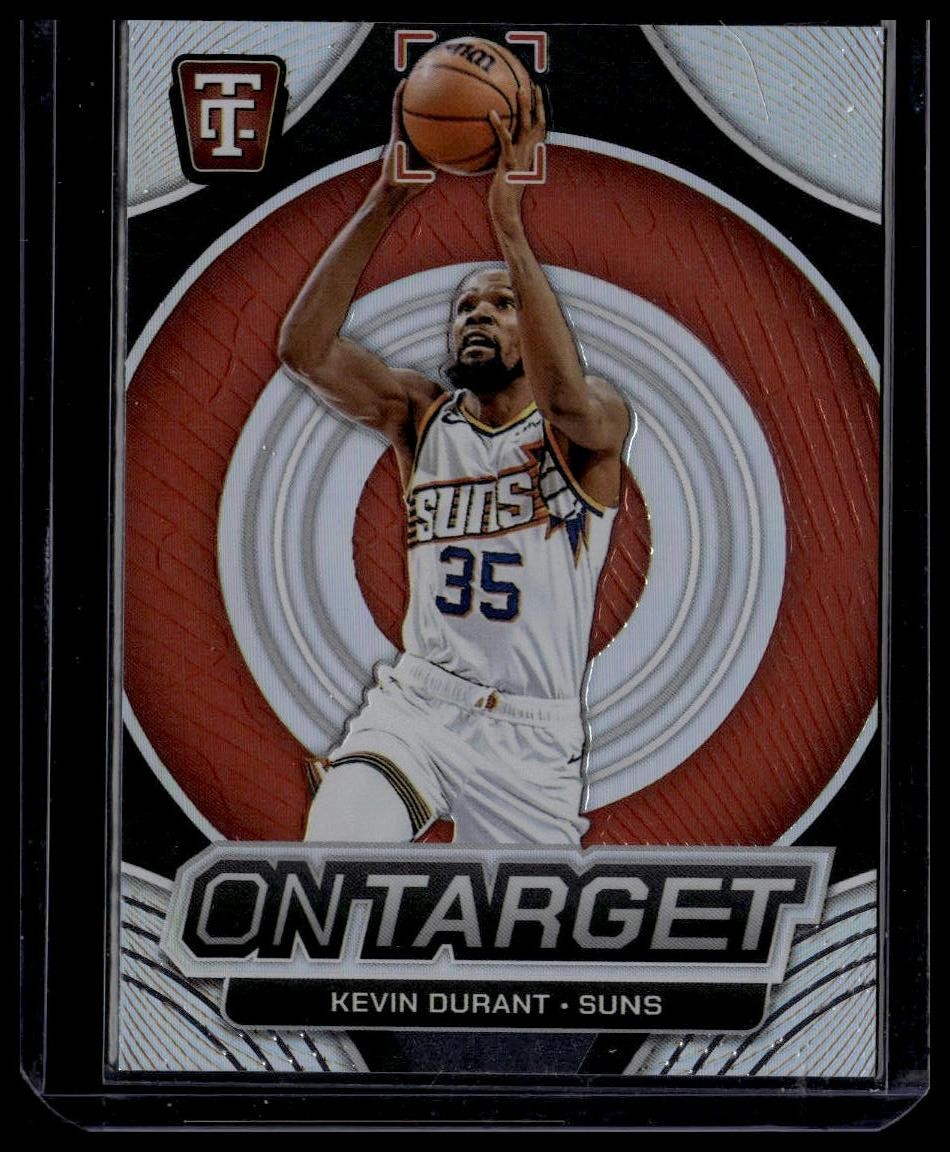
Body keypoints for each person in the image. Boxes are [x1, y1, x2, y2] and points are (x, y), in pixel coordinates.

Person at [278, 82, 630, 846]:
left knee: (514, 928)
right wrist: (384, 202)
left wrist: (509, 226)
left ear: (537, 326)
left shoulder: (590, 422)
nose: (476, 315)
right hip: (419, 707)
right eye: (466, 307)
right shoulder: (421, 414)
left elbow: (563, 396)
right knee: (333, 861)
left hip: (532, 737)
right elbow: (303, 351)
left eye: (500, 305)